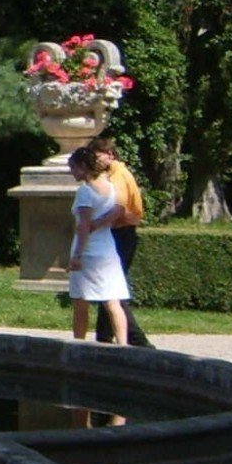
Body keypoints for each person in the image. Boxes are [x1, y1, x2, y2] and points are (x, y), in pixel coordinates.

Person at [89, 135, 154, 348]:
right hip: (121, 232)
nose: (95, 161)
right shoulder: (113, 174)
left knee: (113, 289)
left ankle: (137, 340)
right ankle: (103, 336)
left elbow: (118, 208)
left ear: (109, 154)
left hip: (121, 232)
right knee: (108, 287)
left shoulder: (118, 176)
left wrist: (95, 224)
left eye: (97, 156)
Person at [66, 148, 130, 345]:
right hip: (107, 249)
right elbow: (119, 209)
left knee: (81, 301)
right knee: (112, 301)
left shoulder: (85, 191)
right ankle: (123, 343)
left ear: (84, 167)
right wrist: (100, 222)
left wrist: (77, 255)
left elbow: (84, 225)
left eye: (74, 168)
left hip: (88, 252)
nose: (72, 173)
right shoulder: (110, 187)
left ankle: (79, 343)